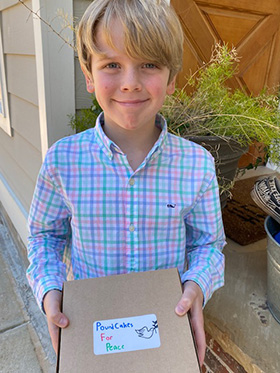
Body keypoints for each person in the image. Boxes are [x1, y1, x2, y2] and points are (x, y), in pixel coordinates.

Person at [26, 0, 225, 366]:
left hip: (165, 332)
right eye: (112, 65)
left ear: (171, 77)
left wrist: (196, 284)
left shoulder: (197, 165)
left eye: (148, 64)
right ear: (89, 75)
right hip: (90, 332)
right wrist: (49, 289)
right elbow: (45, 236)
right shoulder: (62, 162)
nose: (130, 83)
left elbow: (208, 243)